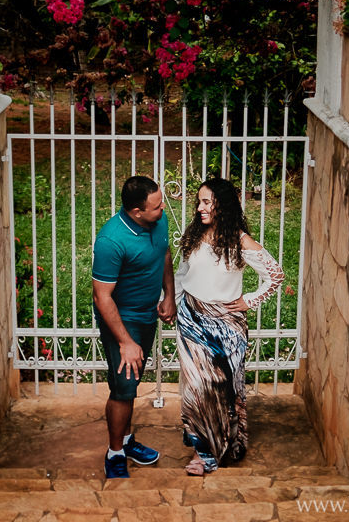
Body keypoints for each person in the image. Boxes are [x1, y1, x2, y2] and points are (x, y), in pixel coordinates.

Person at [174, 177, 285, 475]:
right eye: (199, 202)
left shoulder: (239, 241)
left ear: (222, 206)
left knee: (223, 390)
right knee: (197, 388)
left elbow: (275, 275)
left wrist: (250, 300)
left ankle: (224, 442)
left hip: (226, 327)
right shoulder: (195, 234)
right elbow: (182, 273)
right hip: (191, 319)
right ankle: (203, 452)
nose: (200, 208)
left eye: (206, 202)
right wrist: (173, 302)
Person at [92, 175, 176, 479]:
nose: (163, 209)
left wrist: (169, 295)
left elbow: (164, 254)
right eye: (156, 206)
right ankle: (115, 452)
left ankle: (126, 441)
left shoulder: (158, 221)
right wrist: (126, 341)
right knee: (124, 387)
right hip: (121, 319)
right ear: (137, 212)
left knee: (131, 382)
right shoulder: (111, 241)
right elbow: (102, 297)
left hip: (146, 316)